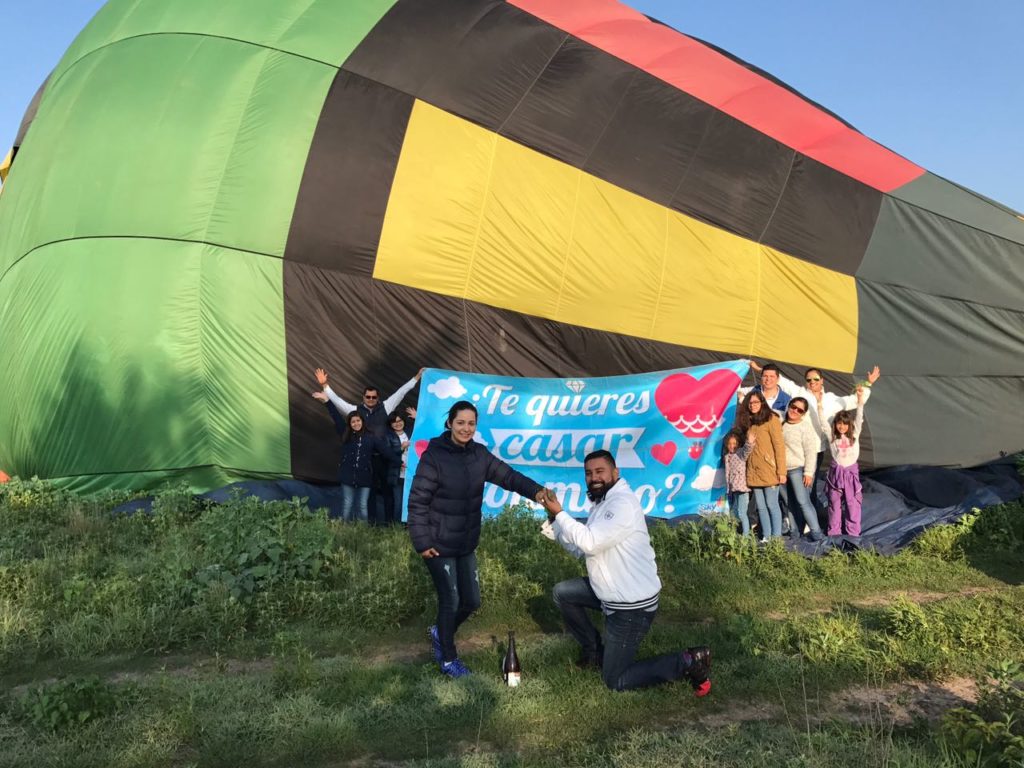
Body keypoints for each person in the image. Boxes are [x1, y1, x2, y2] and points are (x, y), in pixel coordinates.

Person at [540, 450, 711, 695]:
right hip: (610, 591)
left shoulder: (621, 504)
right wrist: (555, 523)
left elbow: (589, 542)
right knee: (563, 593)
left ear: (615, 473)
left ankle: (687, 661)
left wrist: (560, 513)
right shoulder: (602, 503)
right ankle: (593, 652)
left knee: (615, 680)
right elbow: (583, 550)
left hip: (631, 606)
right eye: (588, 473)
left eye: (600, 471)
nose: (593, 478)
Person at [408, 400, 547, 678]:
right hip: (438, 543)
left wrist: (537, 491)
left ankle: (440, 632)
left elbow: (509, 476)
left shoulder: (479, 455)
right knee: (451, 601)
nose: (466, 428)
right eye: (461, 422)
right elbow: (417, 501)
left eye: (471, 423)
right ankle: (448, 660)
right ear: (449, 423)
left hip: (465, 543)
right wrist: (422, 541)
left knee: (471, 601)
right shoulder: (434, 457)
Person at [316, 367, 424, 525]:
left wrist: (417, 377)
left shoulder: (386, 407)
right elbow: (338, 401)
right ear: (363, 397)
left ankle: (389, 524)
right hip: (367, 460)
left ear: (378, 398)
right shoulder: (355, 411)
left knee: (388, 492)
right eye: (368, 397)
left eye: (374, 397)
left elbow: (401, 392)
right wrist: (325, 385)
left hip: (384, 457)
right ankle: (372, 524)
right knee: (370, 493)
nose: (371, 399)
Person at [754, 361, 881, 472]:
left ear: (821, 380)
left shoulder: (831, 399)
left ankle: (810, 499)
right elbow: (783, 382)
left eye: (815, 379)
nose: (812, 382)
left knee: (810, 483)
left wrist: (868, 383)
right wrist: (763, 371)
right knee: (793, 483)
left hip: (816, 449)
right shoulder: (800, 393)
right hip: (795, 447)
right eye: (809, 380)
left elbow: (856, 400)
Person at [312, 398, 400, 523]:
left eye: (358, 421)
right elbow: (336, 417)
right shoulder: (345, 434)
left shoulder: (371, 438)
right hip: (347, 476)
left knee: (363, 505)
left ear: (362, 422)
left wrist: (399, 462)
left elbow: (386, 451)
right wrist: (327, 402)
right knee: (347, 504)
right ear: (350, 424)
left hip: (365, 477)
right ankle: (345, 529)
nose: (356, 424)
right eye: (353, 422)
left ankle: (362, 531)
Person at [736, 391, 786, 540]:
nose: (753, 405)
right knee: (761, 507)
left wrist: (781, 471)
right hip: (754, 471)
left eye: (756, 402)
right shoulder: (749, 422)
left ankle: (776, 538)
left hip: (769, 469)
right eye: (750, 403)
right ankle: (767, 536)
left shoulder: (771, 419)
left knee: (772, 505)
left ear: (762, 403)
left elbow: (779, 446)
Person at [820, 387, 867, 537]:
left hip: (850, 474)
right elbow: (823, 423)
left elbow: (859, 418)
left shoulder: (854, 435)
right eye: (839, 423)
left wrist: (860, 401)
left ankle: (852, 533)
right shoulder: (832, 437)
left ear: (849, 425)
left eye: (845, 424)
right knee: (834, 503)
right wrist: (819, 404)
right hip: (836, 474)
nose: (842, 426)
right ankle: (834, 533)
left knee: (852, 504)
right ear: (835, 424)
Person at [781, 397, 825, 541]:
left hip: (797, 469)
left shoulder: (805, 427)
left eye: (799, 410)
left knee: (803, 501)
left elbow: (810, 452)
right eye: (793, 407)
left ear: (803, 413)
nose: (795, 411)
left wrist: (808, 472)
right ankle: (794, 532)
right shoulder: (780, 422)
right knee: (788, 502)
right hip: (781, 470)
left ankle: (817, 533)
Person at [383, 407, 415, 525]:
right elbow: (387, 454)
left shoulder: (410, 432)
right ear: (391, 424)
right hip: (397, 475)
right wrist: (401, 448)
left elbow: (423, 429)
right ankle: (397, 528)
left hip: (412, 474)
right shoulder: (388, 436)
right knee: (398, 502)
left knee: (410, 501)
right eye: (394, 422)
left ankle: (409, 527)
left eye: (399, 420)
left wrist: (417, 417)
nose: (397, 424)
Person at [722, 430, 753, 536]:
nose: (732, 446)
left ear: (738, 444)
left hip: (743, 488)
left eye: (734, 443)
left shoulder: (740, 453)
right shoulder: (727, 457)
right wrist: (728, 488)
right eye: (730, 444)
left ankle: (746, 535)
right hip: (734, 489)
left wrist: (750, 441)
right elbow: (728, 474)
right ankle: (734, 533)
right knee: (734, 512)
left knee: (742, 512)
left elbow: (747, 450)